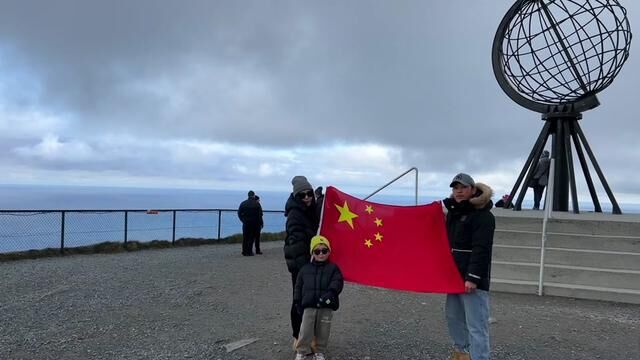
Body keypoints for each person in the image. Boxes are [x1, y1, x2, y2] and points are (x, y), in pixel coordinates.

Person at [442, 173, 495, 360]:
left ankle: (480, 357)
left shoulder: (484, 216)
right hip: (453, 277)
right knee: (453, 319)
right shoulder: (453, 215)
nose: (459, 191)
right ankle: (462, 354)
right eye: (455, 188)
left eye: (463, 187)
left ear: (473, 190)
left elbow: (481, 250)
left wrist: (473, 277)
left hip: (472, 281)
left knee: (476, 325)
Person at [293, 235, 344, 360]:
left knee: (323, 330)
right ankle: (301, 351)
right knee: (305, 330)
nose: (321, 254)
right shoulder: (305, 269)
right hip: (309, 305)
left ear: (329, 251)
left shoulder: (333, 268)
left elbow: (338, 281)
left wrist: (331, 293)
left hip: (326, 305)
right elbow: (298, 286)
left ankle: (319, 351)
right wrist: (297, 302)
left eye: (324, 250)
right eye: (317, 251)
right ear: (312, 253)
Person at [284, 175, 320, 346]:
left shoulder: (311, 209)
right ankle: (298, 338)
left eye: (309, 193)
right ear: (296, 196)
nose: (306, 197)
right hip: (301, 265)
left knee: (312, 300)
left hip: (311, 262)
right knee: (299, 300)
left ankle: (309, 335)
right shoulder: (295, 215)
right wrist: (304, 269)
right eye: (302, 195)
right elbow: (295, 244)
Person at [237, 190, 263, 256]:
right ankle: (249, 252)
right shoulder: (257, 204)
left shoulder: (243, 203)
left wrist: (242, 220)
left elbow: (239, 213)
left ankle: (244, 251)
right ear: (253, 195)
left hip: (246, 222)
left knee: (245, 237)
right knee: (251, 237)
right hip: (254, 223)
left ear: (248, 195)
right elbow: (260, 214)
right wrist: (260, 223)